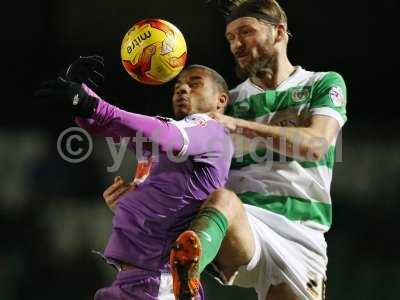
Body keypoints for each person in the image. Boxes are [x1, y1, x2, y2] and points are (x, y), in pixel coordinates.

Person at [170, 1, 347, 300]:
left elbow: (316, 144)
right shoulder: (228, 101)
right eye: (230, 38)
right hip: (244, 223)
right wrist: (135, 196)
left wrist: (239, 126)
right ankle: (185, 274)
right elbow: (180, 151)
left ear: (279, 33)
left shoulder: (322, 83)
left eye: (245, 32)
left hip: (303, 235)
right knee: (223, 200)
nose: (236, 44)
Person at [35, 63, 234, 299]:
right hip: (133, 282)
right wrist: (81, 94)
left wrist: (91, 104)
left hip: (161, 283)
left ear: (221, 101)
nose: (182, 89)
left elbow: (157, 131)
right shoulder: (167, 145)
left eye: (195, 84)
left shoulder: (211, 130)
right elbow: (106, 126)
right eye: (178, 86)